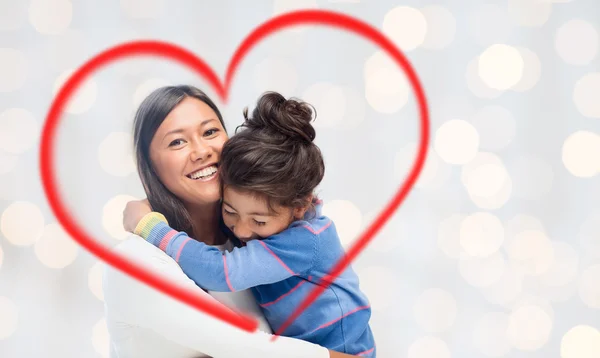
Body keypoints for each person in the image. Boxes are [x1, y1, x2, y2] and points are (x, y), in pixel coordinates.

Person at [102, 85, 363, 358]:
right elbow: (244, 347)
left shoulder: (250, 241)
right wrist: (149, 227)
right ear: (149, 165)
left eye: (210, 132)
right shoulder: (134, 261)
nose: (201, 151)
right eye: (177, 141)